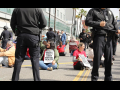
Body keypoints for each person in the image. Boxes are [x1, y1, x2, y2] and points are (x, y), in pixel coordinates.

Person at [10, 8, 47, 81]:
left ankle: (15, 79)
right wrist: (37, 28)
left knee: (19, 59)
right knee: (35, 60)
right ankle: (36, 79)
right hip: (33, 36)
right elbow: (44, 23)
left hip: (21, 35)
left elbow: (12, 23)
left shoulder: (17, 9)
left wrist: (17, 32)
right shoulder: (37, 9)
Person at [85, 8, 119, 81]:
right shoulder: (93, 11)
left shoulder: (109, 11)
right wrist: (98, 24)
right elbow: (87, 22)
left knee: (109, 59)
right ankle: (94, 78)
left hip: (109, 37)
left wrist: (117, 29)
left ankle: (108, 78)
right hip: (99, 37)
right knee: (97, 59)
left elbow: (114, 22)